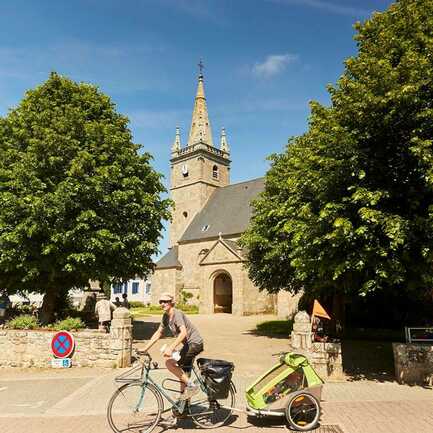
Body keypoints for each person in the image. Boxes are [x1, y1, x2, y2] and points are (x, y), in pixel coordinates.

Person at [143, 292, 204, 400]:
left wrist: (171, 348)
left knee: (170, 363)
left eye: (165, 301)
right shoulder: (166, 316)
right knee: (183, 375)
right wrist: (145, 348)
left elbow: (183, 333)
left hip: (195, 344)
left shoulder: (177, 314)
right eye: (161, 301)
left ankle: (192, 387)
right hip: (188, 345)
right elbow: (158, 333)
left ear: (171, 303)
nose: (163, 304)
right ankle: (184, 407)